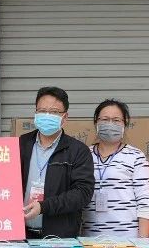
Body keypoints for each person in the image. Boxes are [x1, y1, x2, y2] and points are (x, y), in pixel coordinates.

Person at [18, 86, 94, 238]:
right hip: (20, 235)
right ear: (35, 113)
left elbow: (82, 193)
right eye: (42, 111)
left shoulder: (78, 151)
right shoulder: (21, 144)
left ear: (65, 117)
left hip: (59, 237)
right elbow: (0, 175)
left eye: (53, 112)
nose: (47, 116)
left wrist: (44, 207)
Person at [81, 99, 149, 239]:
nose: (110, 124)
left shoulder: (136, 156)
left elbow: (145, 200)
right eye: (105, 119)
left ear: (124, 124)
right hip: (90, 238)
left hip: (127, 239)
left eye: (116, 120)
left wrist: (142, 241)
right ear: (96, 123)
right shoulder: (83, 155)